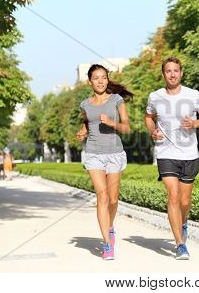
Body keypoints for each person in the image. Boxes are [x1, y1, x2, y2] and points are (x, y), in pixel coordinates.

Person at [144, 57, 199, 260]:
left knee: (184, 200)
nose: (172, 74)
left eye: (176, 71)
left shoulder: (193, 95)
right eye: (168, 71)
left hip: (189, 154)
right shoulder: (155, 96)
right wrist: (152, 131)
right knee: (173, 196)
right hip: (165, 153)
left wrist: (195, 124)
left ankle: (183, 222)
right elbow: (149, 117)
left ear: (181, 73)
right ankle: (180, 244)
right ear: (163, 74)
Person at [76, 64, 132, 260]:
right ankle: (107, 244)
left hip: (114, 153)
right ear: (90, 81)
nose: (100, 81)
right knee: (102, 197)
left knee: (114, 199)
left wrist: (111, 123)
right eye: (96, 78)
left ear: (107, 80)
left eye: (104, 77)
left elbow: (126, 128)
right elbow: (87, 121)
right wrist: (83, 131)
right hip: (93, 154)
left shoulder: (117, 100)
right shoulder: (85, 104)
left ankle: (109, 226)